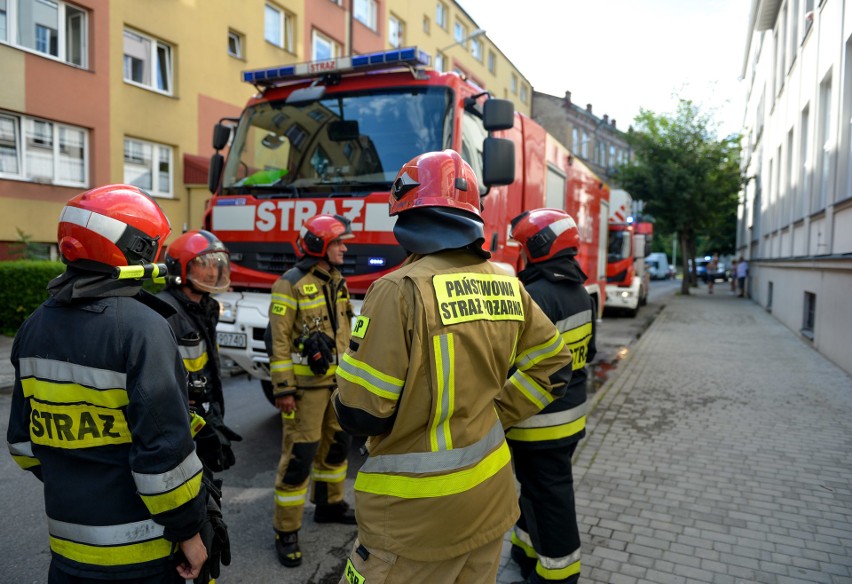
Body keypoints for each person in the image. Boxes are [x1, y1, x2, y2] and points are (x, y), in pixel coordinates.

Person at [332, 150, 572, 584]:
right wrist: (496, 415)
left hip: (412, 522)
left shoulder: (397, 289)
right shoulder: (506, 281)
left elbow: (361, 412)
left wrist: (340, 376)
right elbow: (554, 366)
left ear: (407, 214)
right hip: (489, 504)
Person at [6, 185, 208, 583]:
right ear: (135, 249)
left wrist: (78, 475)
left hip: (66, 553)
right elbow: (164, 458)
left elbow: (24, 447)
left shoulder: (32, 327)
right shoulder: (143, 328)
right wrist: (188, 531)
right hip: (143, 555)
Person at [506, 209, 596, 584]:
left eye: (523, 248)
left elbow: (508, 362)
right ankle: (526, 550)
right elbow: (588, 355)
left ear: (539, 248)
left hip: (537, 422)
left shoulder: (533, 296)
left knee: (551, 498)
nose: (520, 256)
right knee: (538, 491)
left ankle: (559, 574)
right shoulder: (581, 292)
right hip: (569, 416)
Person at [267, 213, 358, 568]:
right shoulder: (289, 284)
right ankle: (285, 529)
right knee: (299, 456)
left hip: (338, 386)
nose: (344, 248)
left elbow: (346, 333)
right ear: (320, 245)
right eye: (338, 242)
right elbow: (278, 343)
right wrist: (283, 389)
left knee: (336, 448)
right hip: (304, 391)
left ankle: (329, 504)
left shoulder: (338, 280)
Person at [158, 229, 241, 474]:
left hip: (203, 412)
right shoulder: (164, 311)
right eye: (203, 264)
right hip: (177, 419)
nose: (213, 272)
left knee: (208, 487)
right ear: (180, 269)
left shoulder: (205, 307)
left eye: (216, 264)